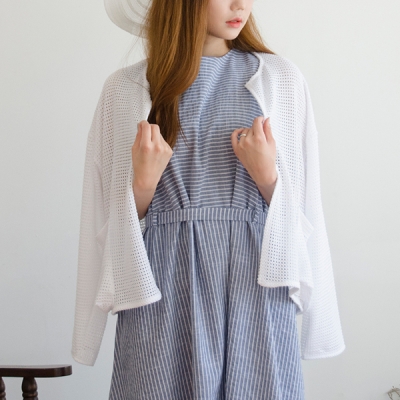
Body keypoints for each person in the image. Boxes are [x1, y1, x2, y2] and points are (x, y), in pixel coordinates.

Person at [71, 0, 346, 399]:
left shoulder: (280, 79)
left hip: (256, 287)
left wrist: (267, 177)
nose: (241, 5)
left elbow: (305, 209)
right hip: (162, 291)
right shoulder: (126, 88)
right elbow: (104, 219)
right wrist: (143, 184)